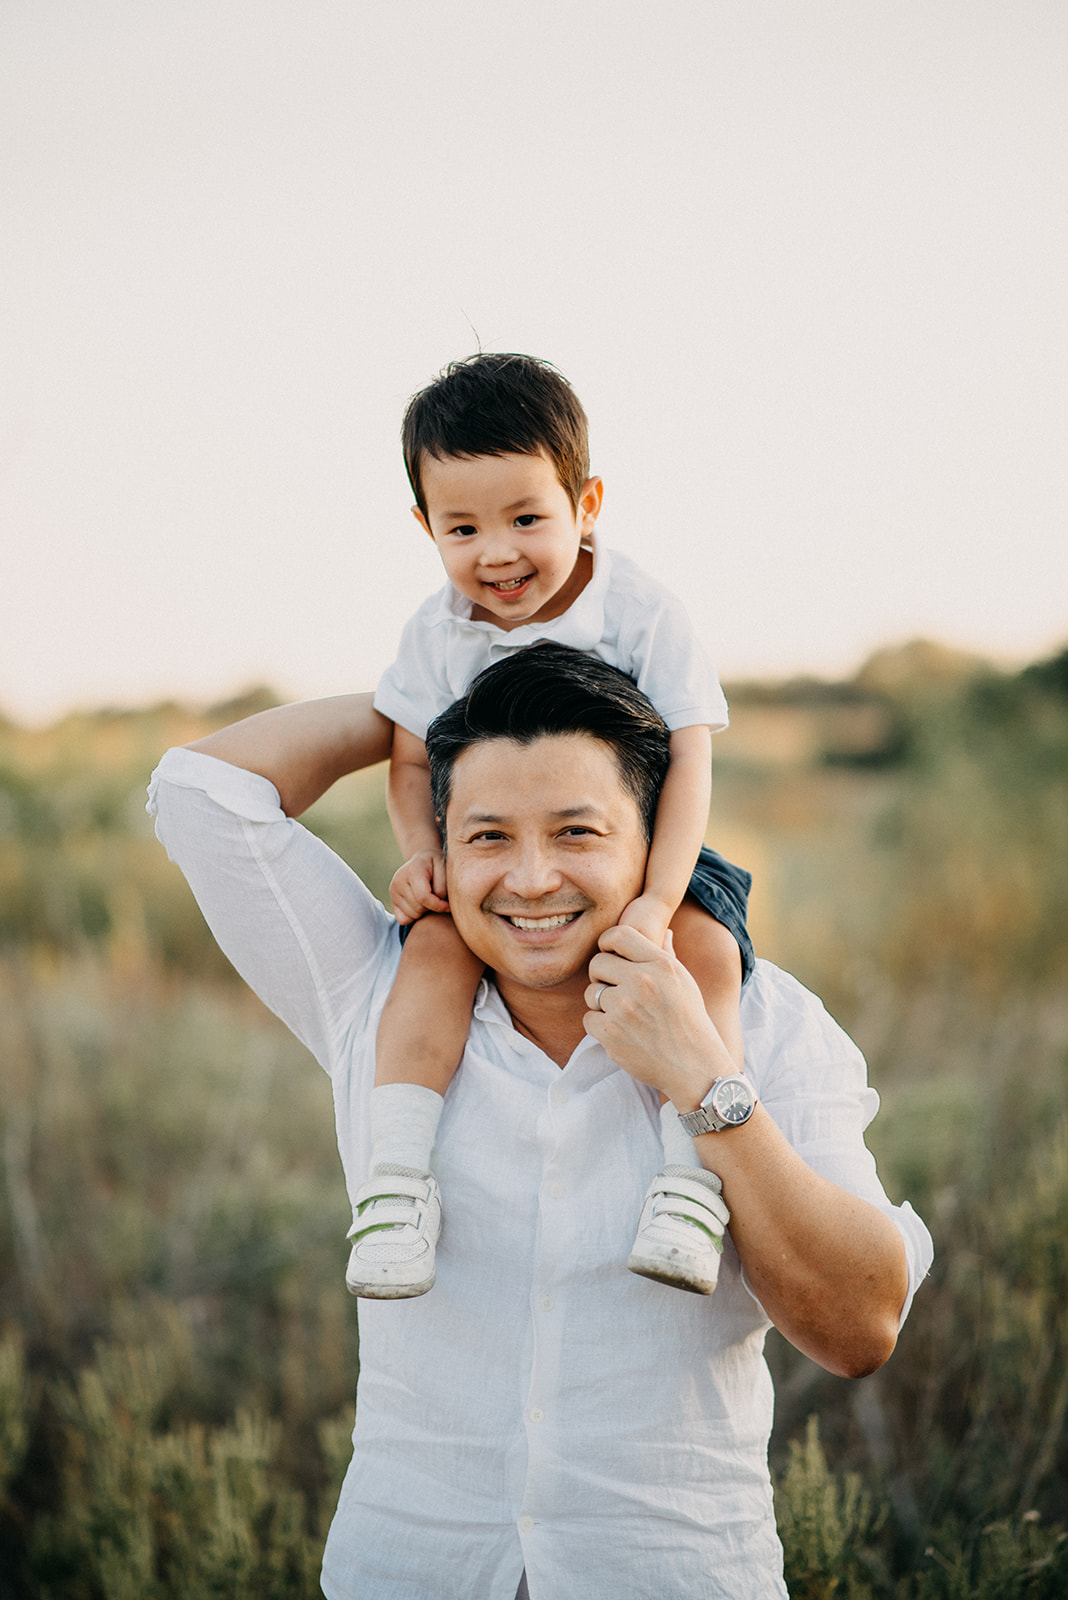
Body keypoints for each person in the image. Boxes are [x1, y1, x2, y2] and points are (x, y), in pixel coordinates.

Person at [148, 643, 933, 1600]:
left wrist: (703, 1079)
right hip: (412, 1569)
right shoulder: (375, 997)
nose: (528, 880)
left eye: (575, 832)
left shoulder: (768, 1023)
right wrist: (427, 701)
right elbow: (200, 792)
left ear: (655, 849)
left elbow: (862, 1326)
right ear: (440, 848)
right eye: (487, 837)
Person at [367, 351, 752, 1300]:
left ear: (588, 503)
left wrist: (661, 898)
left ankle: (690, 1184)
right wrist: (425, 856)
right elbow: (410, 758)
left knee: (703, 955)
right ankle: (395, 1183)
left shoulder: (640, 612)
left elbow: (691, 759)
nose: (496, 553)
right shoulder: (434, 632)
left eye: (526, 518)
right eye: (462, 528)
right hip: (497, 862)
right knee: (430, 957)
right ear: (424, 525)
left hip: (648, 858)